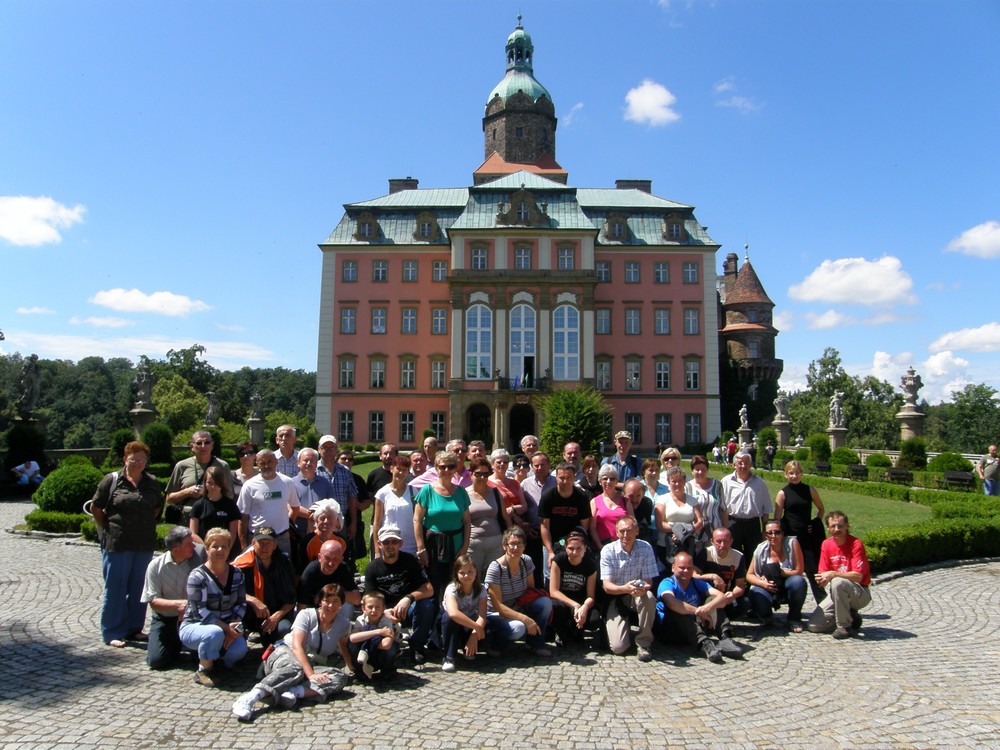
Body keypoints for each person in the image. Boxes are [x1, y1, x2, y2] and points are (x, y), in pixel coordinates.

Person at [231, 583, 352, 721]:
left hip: (310, 663)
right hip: (285, 653)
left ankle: (294, 691)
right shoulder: (306, 615)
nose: (331, 606)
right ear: (320, 602)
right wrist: (311, 674)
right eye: (327, 601)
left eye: (336, 601)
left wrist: (353, 669)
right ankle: (251, 697)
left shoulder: (344, 624)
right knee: (296, 667)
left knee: (339, 676)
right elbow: (296, 646)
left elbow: (344, 647)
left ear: (341, 603)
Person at [91, 440, 163, 647]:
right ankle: (113, 631)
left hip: (144, 543)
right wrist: (107, 527)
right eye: (133, 459)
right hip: (117, 542)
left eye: (142, 460)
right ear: (125, 459)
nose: (138, 463)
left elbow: (157, 507)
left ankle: (134, 628)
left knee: (139, 587)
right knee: (116, 588)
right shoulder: (112, 480)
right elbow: (97, 508)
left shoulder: (151, 482)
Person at [179, 528, 248, 686]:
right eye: (215, 546)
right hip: (196, 625)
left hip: (226, 626)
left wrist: (234, 625)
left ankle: (217, 661)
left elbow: (241, 603)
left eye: (224, 546)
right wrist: (226, 628)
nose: (220, 550)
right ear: (207, 549)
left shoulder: (237, 574)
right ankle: (204, 669)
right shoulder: (197, 576)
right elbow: (200, 610)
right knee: (213, 634)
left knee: (240, 649)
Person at [364, 524, 435, 665]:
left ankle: (417, 646)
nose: (390, 546)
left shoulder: (410, 560)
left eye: (394, 542)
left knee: (427, 605)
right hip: (384, 610)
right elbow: (368, 599)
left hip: (407, 607)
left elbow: (429, 589)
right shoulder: (372, 568)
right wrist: (383, 612)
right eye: (386, 542)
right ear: (379, 544)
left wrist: (409, 598)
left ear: (400, 544)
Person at [656, 551, 743, 663]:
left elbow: (722, 598)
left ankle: (725, 637)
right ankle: (705, 643)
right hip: (671, 630)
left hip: (692, 628)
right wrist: (698, 611)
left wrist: (707, 608)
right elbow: (672, 602)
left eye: (689, 568)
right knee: (677, 609)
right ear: (673, 568)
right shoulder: (667, 583)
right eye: (682, 568)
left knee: (712, 599)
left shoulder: (695, 582)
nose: (686, 571)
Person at [413, 450, 472, 611]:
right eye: (442, 467)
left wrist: (465, 547)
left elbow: (467, 521)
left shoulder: (461, 492)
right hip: (433, 546)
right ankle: (433, 619)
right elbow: (417, 520)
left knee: (453, 584)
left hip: (456, 546)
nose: (446, 470)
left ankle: (452, 616)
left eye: (451, 466)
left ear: (455, 468)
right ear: (436, 468)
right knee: (434, 584)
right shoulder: (427, 491)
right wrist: (421, 548)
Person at [141, 526, 205, 669]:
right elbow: (153, 602)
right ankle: (175, 642)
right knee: (156, 661)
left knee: (201, 657)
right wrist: (180, 605)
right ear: (176, 549)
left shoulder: (197, 560)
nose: (193, 546)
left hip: (192, 618)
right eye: (189, 543)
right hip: (165, 618)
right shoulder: (156, 566)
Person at [483, 526, 553, 656]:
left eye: (519, 544)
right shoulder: (495, 568)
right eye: (512, 544)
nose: (515, 548)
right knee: (518, 628)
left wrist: (523, 613)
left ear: (524, 546)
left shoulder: (526, 561)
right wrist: (525, 619)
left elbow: (531, 592)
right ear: (505, 546)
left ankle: (534, 644)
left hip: (518, 606)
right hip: (496, 614)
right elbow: (498, 606)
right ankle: (494, 644)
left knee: (545, 603)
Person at [600, 516, 657, 661]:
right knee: (618, 648)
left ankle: (644, 643)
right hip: (616, 597)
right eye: (622, 531)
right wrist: (625, 589)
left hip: (638, 593)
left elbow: (648, 581)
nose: (626, 535)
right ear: (616, 533)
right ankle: (619, 630)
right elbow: (607, 586)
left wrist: (641, 588)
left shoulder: (646, 548)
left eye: (629, 530)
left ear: (637, 531)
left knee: (649, 597)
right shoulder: (608, 550)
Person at [808, 511, 872, 639]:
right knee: (814, 626)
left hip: (860, 592)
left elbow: (858, 576)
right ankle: (851, 618)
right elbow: (823, 572)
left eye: (840, 526)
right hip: (837, 593)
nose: (837, 529)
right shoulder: (826, 544)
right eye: (833, 526)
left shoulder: (856, 544)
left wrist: (833, 574)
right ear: (828, 528)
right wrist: (822, 579)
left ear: (847, 526)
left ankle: (844, 627)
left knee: (837, 581)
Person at [233, 527, 296, 647]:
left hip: (275, 614)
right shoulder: (242, 564)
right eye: (261, 543)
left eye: (268, 543)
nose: (264, 547)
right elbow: (232, 591)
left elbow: (291, 599)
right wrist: (253, 600)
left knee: (284, 629)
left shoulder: (284, 564)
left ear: (275, 545)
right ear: (253, 543)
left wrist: (276, 617)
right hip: (249, 615)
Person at [774, 460, 826, 602]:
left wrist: (815, 522)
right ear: (786, 474)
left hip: (806, 536)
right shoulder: (782, 493)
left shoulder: (810, 490)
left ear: (802, 474)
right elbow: (777, 518)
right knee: (789, 569)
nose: (794, 476)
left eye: (797, 473)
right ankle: (786, 599)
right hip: (790, 536)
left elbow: (821, 509)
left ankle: (823, 601)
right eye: (791, 473)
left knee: (812, 569)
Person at [746, 520, 808, 632]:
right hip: (767, 585)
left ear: (782, 533)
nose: (773, 536)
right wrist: (761, 583)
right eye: (769, 533)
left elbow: (799, 571)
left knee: (799, 582)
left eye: (777, 532)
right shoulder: (760, 549)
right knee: (755, 592)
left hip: (788, 582)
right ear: (765, 535)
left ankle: (794, 617)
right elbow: (749, 575)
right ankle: (766, 616)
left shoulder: (792, 543)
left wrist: (778, 572)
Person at [237, 448, 300, 556]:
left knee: (284, 566)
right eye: (262, 463)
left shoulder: (287, 482)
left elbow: (295, 508)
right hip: (257, 539)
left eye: (269, 462)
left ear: (276, 462)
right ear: (257, 464)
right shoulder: (249, 485)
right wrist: (243, 544)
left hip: (281, 539)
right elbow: (243, 517)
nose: (266, 466)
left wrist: (285, 523)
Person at [164, 430, 233, 525]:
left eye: (207, 442)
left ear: (212, 445)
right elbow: (169, 499)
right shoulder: (181, 466)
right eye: (199, 443)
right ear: (192, 446)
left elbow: (230, 495)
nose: (203, 446)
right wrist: (187, 492)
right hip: (187, 519)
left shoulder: (223, 466)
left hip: (215, 518)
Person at [539, 462, 593, 575]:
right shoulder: (547, 497)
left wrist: (575, 547)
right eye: (561, 478)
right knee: (550, 575)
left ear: (574, 478)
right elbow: (544, 527)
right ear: (556, 478)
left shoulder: (582, 497)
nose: (565, 481)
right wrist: (550, 551)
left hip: (574, 543)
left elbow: (584, 526)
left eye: (568, 478)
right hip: (552, 541)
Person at [719, 451, 772, 562]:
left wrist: (764, 531)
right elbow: (722, 508)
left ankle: (751, 573)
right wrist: (725, 528)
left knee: (753, 556)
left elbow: (766, 510)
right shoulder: (726, 482)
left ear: (751, 464)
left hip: (752, 525)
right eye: (740, 463)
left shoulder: (760, 483)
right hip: (733, 524)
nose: (743, 466)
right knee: (733, 556)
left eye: (746, 463)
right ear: (734, 465)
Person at [548, 529, 598, 647]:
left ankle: (577, 630)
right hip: (562, 601)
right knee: (556, 607)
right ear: (565, 548)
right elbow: (553, 591)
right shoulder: (559, 560)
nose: (574, 552)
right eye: (571, 548)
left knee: (594, 620)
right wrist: (575, 605)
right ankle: (560, 630)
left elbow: (591, 596)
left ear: (585, 548)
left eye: (579, 548)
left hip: (580, 600)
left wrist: (584, 607)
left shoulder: (590, 564)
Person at [441, 555, 488, 673]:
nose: (466, 576)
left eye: (470, 572)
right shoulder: (451, 589)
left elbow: (482, 616)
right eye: (462, 573)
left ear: (476, 571)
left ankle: (467, 648)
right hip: (451, 624)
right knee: (449, 619)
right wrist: (477, 627)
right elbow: (453, 613)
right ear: (456, 574)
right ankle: (449, 657)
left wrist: (474, 635)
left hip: (469, 623)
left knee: (488, 628)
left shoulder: (481, 589)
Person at [466, 458, 510, 575]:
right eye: (478, 474)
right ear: (471, 474)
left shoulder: (495, 492)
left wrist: (509, 538)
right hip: (474, 543)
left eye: (485, 474)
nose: (482, 477)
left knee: (494, 577)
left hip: (496, 543)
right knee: (473, 577)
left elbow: (505, 517)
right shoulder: (464, 494)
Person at [694, 527, 748, 619]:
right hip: (708, 593)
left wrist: (733, 595)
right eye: (718, 541)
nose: (722, 545)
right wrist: (712, 576)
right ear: (712, 541)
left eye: (726, 541)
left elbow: (740, 585)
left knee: (745, 603)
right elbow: (693, 575)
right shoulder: (706, 552)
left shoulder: (738, 557)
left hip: (726, 595)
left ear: (731, 541)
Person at [653, 465, 703, 565]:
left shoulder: (693, 500)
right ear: (668, 482)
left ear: (684, 482)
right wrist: (679, 531)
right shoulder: (662, 499)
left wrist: (683, 534)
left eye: (680, 481)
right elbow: (659, 524)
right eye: (674, 481)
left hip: (688, 545)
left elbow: (700, 522)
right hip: (666, 545)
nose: (677, 484)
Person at [519, 451, 554, 586]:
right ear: (532, 467)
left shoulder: (556, 483)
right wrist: (525, 525)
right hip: (533, 532)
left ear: (549, 465)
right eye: (536, 465)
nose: (539, 468)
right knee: (534, 568)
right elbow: (522, 507)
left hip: (552, 532)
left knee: (550, 567)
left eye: (542, 465)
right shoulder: (525, 485)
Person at [372, 455, 419, 556]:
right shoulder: (382, 493)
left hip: (410, 545)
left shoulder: (413, 491)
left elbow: (418, 520)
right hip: (389, 545)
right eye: (398, 469)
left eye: (404, 470)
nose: (401, 473)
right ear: (392, 469)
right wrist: (377, 550)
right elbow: (377, 523)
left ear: (408, 472)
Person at [187, 464, 240, 553]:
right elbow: (193, 533)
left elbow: (233, 533)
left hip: (226, 552)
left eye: (216, 483)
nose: (213, 486)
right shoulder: (198, 505)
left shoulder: (230, 505)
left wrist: (225, 551)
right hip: (204, 552)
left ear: (222, 483)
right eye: (210, 483)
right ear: (205, 483)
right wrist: (207, 549)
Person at [348, 591, 400, 680]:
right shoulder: (361, 620)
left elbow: (386, 645)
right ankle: (360, 672)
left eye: (377, 607)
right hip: (363, 654)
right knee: (352, 644)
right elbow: (353, 638)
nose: (374, 611)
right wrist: (379, 632)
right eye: (370, 607)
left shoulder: (386, 621)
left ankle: (387, 672)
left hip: (379, 654)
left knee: (392, 647)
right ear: (363, 608)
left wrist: (365, 639)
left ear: (383, 608)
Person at [298, 539, 361, 610]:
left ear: (341, 559)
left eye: (335, 559)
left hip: (335, 607)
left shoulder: (343, 568)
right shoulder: (310, 572)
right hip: (315, 609)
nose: (330, 563)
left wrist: (328, 594)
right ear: (319, 557)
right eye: (327, 558)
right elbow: (301, 606)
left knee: (347, 607)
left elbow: (357, 599)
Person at [685, 455, 727, 551]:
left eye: (703, 469)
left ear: (707, 470)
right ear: (692, 471)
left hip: (715, 531)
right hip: (696, 532)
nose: (700, 472)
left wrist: (725, 530)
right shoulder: (687, 487)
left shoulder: (717, 485)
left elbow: (723, 509)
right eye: (697, 469)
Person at [590, 464, 634, 550]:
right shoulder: (594, 502)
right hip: (602, 546)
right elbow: (592, 528)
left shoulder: (626, 501)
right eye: (605, 478)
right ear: (600, 481)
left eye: (612, 479)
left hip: (623, 546)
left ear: (617, 481)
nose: (608, 481)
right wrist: (600, 546)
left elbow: (632, 525)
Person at [487, 448, 528, 521]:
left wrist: (513, 509)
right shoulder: (487, 483)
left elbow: (524, 506)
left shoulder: (515, 483)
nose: (502, 464)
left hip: (519, 523)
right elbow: (490, 508)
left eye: (505, 462)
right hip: (499, 522)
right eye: (499, 462)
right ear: (492, 464)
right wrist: (513, 516)